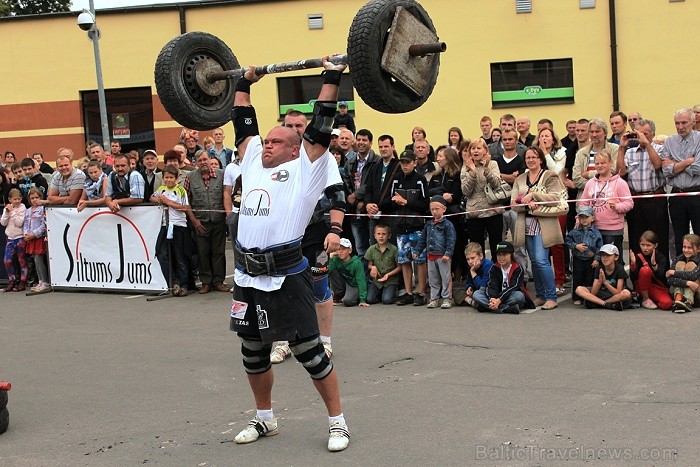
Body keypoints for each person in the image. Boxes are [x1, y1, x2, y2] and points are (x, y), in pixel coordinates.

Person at [229, 59, 350, 452]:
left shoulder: (308, 169)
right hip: (247, 275)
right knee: (252, 351)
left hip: (286, 272)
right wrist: (245, 81)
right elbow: (243, 120)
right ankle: (265, 418)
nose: (267, 144)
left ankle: (338, 423)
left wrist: (331, 77)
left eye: (276, 141)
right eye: (267, 140)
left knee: (309, 353)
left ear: (296, 148)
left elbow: (321, 122)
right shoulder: (251, 161)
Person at [268, 108, 348, 364]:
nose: (294, 129)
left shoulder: (321, 158)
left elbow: (337, 196)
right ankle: (283, 341)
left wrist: (335, 230)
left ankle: (324, 342)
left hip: (314, 233)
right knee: (278, 287)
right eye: (289, 125)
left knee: (318, 286)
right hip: (280, 234)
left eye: (299, 125)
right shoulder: (271, 159)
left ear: (307, 128)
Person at [511, 146, 568, 310]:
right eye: (528, 158)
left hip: (544, 223)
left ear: (541, 159)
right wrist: (526, 203)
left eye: (534, 157)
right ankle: (541, 295)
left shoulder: (550, 176)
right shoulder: (520, 179)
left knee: (542, 260)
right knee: (534, 261)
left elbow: (556, 197)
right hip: (526, 223)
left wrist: (535, 195)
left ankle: (551, 296)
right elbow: (514, 203)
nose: (530, 160)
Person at [616, 119, 669, 261]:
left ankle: (660, 276)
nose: (641, 137)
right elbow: (620, 173)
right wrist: (621, 148)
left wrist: (647, 145)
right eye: (639, 134)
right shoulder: (630, 152)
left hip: (655, 198)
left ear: (653, 134)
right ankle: (637, 275)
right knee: (636, 238)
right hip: (636, 199)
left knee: (659, 237)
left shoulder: (660, 149)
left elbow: (658, 165)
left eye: (645, 134)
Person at [184, 150, 228, 294]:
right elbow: (185, 201)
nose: (203, 162)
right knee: (202, 252)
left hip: (218, 221)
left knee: (218, 252)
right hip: (200, 222)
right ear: (195, 163)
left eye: (205, 159)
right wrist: (194, 220)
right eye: (200, 160)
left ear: (210, 160)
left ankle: (219, 281)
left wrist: (227, 215)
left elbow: (227, 195)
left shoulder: (222, 174)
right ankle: (206, 283)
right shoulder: (190, 177)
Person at [659, 108, 700, 257]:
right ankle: (680, 269)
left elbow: (699, 167)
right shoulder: (670, 141)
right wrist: (689, 161)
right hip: (677, 193)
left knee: (698, 236)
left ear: (693, 122)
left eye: (684, 122)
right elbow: (666, 170)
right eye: (677, 123)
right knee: (678, 237)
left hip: (696, 192)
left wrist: (675, 164)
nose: (680, 127)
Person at [391, 149, 429, 306]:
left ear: (414, 163)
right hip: (401, 226)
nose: (404, 165)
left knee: (419, 260)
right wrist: (396, 201)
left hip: (417, 227)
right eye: (402, 162)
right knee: (404, 260)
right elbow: (392, 198)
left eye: (407, 162)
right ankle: (408, 292)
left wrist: (406, 202)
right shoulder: (396, 179)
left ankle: (420, 291)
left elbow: (425, 204)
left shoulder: (420, 180)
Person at [579, 150, 633, 259]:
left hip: (613, 229)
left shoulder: (620, 183)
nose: (599, 166)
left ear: (610, 163)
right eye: (597, 163)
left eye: (603, 163)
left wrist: (617, 206)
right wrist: (579, 219)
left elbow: (629, 203)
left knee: (612, 259)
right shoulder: (590, 183)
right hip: (592, 229)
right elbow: (583, 203)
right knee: (595, 260)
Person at [536, 127, 568, 295]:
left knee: (556, 243)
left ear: (553, 139)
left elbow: (555, 171)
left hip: (558, 202)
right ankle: (545, 280)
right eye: (541, 136)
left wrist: (545, 153)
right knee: (542, 243)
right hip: (540, 202)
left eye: (547, 136)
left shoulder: (561, 153)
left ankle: (559, 280)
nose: (544, 138)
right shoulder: (534, 155)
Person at [151, 166, 190, 297]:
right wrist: (159, 200)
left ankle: (184, 285)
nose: (168, 180)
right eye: (166, 177)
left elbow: (184, 207)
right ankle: (173, 282)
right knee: (161, 253)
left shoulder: (180, 190)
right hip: (165, 225)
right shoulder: (161, 189)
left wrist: (168, 202)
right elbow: (152, 197)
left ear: (176, 178)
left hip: (178, 225)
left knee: (179, 256)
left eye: (171, 177)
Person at [461, 138, 504, 259]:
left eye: (478, 148)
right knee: (476, 247)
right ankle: (480, 274)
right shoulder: (465, 168)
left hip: (493, 209)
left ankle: (497, 273)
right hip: (475, 211)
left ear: (485, 150)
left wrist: (486, 169)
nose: (475, 151)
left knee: (496, 245)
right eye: (473, 148)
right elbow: (466, 191)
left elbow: (497, 185)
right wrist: (473, 173)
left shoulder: (493, 164)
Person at [429, 146, 466, 280]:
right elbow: (430, 192)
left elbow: (455, 195)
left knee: (456, 248)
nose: (437, 158)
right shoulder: (436, 175)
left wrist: (441, 195)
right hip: (438, 218)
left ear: (449, 157)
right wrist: (441, 194)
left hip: (453, 219)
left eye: (440, 156)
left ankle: (456, 279)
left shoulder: (457, 175)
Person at [414, 195, 456, 308]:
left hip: (443, 256)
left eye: (437, 209)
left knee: (445, 278)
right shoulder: (428, 225)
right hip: (430, 255)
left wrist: (448, 253)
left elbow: (451, 240)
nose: (434, 211)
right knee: (433, 279)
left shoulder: (448, 225)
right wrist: (417, 251)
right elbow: (422, 239)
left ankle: (446, 298)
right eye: (432, 209)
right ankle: (434, 298)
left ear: (444, 209)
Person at [342, 128, 377, 259]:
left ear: (370, 143)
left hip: (370, 210)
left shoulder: (376, 161)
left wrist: (358, 197)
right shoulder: (350, 162)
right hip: (354, 211)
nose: (361, 142)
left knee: (373, 248)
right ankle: (363, 279)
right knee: (359, 248)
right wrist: (356, 201)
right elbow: (346, 184)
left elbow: (371, 184)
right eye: (359, 139)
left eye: (365, 140)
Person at [472, 241, 530, 314]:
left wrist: (499, 300)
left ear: (511, 255)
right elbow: (492, 285)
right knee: (477, 294)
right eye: (499, 255)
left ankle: (488, 307)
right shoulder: (494, 267)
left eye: (505, 254)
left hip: (510, 295)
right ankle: (506, 308)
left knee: (519, 296)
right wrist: (492, 298)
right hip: (496, 295)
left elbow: (513, 287)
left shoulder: (518, 268)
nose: (501, 257)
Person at [363, 134, 401, 242]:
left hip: (391, 214)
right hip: (374, 215)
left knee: (392, 249)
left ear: (393, 147)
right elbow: (368, 188)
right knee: (374, 250)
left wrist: (380, 206)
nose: (383, 149)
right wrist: (368, 204)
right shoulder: (375, 167)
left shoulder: (399, 167)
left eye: (386, 146)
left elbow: (397, 193)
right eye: (380, 147)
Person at [564, 205, 603, 305]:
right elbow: (567, 241)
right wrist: (576, 246)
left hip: (591, 259)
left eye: (586, 217)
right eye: (581, 217)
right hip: (578, 258)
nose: (584, 219)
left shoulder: (596, 232)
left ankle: (588, 295)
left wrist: (596, 259)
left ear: (592, 218)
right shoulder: (574, 231)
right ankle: (577, 297)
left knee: (590, 278)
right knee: (577, 278)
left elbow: (599, 247)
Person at [575, 244, 631, 310]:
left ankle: (599, 303)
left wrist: (605, 283)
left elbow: (618, 292)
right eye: (602, 255)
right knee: (579, 289)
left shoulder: (620, 269)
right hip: (601, 293)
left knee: (626, 293)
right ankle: (607, 304)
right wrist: (599, 282)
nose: (605, 257)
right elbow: (593, 293)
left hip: (613, 295)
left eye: (608, 255)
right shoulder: (599, 269)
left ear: (616, 257)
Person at [572, 118, 619, 194]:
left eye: (597, 131)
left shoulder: (615, 149)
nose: (594, 135)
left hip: (610, 196)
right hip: (586, 198)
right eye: (591, 132)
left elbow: (614, 170)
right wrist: (597, 185)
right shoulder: (581, 153)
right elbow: (576, 179)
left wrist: (588, 174)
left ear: (605, 133)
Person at [629, 230, 672, 310]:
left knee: (667, 304)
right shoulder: (638, 257)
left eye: (648, 245)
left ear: (655, 245)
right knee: (645, 270)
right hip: (641, 287)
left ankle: (651, 299)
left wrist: (654, 265)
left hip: (655, 286)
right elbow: (633, 279)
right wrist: (633, 265)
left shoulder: (660, 257)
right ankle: (645, 299)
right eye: (642, 245)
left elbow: (661, 277)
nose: (645, 248)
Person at [364, 223, 400, 304]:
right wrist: (373, 267)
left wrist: (388, 275)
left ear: (389, 236)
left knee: (387, 300)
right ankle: (381, 293)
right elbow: (369, 264)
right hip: (377, 280)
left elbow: (399, 267)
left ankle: (391, 292)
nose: (381, 236)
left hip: (390, 280)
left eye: (384, 234)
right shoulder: (371, 249)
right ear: (375, 236)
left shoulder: (394, 249)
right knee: (370, 300)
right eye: (378, 234)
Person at [23, 187, 50, 292]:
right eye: (32, 198)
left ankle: (46, 282)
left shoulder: (42, 209)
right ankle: (40, 281)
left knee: (39, 260)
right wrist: (26, 234)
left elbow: (44, 225)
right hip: (31, 238)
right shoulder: (28, 210)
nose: (35, 200)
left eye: (37, 197)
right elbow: (26, 223)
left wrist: (34, 234)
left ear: (41, 197)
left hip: (39, 238)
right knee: (35, 260)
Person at [328, 238, 369, 307]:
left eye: (343, 249)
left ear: (350, 250)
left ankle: (355, 297)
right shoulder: (335, 259)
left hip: (353, 285)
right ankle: (338, 297)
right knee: (333, 271)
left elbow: (361, 281)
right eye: (339, 249)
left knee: (348, 302)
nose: (341, 251)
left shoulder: (356, 262)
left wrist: (363, 299)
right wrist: (331, 257)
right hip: (344, 283)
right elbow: (329, 272)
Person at [666, 233, 700, 313]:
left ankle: (688, 302)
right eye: (684, 247)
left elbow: (693, 275)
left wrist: (674, 272)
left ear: (698, 249)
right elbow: (669, 280)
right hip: (689, 286)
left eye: (690, 248)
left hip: (697, 290)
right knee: (680, 264)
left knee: (690, 265)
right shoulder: (679, 258)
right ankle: (678, 300)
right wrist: (688, 283)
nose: (686, 250)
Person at [1, 188, 27, 292]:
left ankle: (23, 281)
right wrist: (7, 212)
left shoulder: (22, 207)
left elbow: (19, 223)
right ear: (10, 199)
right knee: (7, 261)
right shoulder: (7, 208)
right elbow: (3, 223)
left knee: (21, 260)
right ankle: (12, 280)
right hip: (10, 238)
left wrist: (12, 212)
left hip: (19, 238)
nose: (16, 201)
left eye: (18, 198)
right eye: (14, 199)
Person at [462, 242, 493, 307]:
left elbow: (482, 286)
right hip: (476, 290)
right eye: (468, 259)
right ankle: (472, 302)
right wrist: (469, 287)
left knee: (477, 295)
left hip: (487, 292)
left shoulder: (488, 265)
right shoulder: (471, 266)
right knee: (455, 287)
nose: (470, 262)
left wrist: (473, 272)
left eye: (473, 258)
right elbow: (468, 281)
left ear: (481, 256)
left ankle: (481, 304)